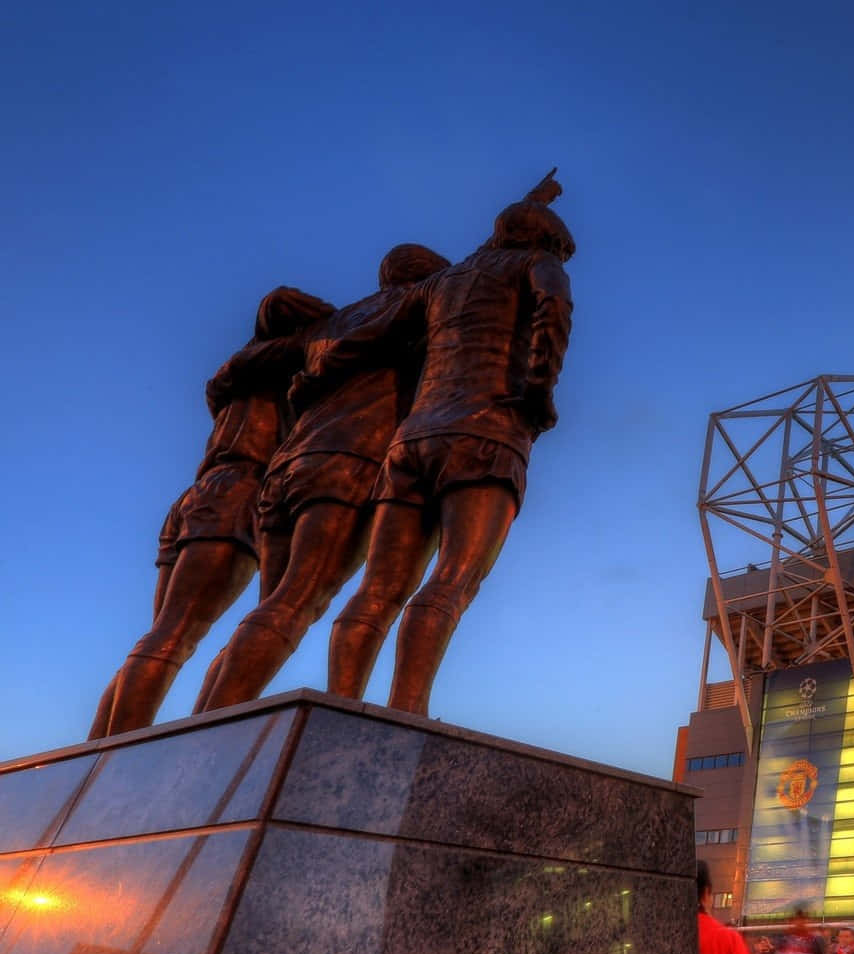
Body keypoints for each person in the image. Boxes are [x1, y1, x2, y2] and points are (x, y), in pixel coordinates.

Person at [327, 172, 573, 714]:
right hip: (487, 435)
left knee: (376, 588)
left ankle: (337, 708)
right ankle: (406, 712)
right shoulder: (538, 265)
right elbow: (552, 312)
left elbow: (371, 330)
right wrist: (538, 392)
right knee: (453, 580)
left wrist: (318, 363)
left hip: (410, 442)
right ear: (551, 241)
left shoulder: (445, 281)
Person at [196, 243, 450, 711]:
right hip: (348, 462)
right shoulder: (415, 312)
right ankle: (211, 735)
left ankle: (203, 727)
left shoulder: (329, 325)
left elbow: (250, 366)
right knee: (299, 600)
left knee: (273, 608)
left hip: (286, 470)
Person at [94, 287, 336, 738]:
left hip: (199, 493)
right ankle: (115, 761)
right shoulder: (287, 359)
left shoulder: (233, 373)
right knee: (173, 637)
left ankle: (100, 753)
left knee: (162, 638)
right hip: (238, 492)